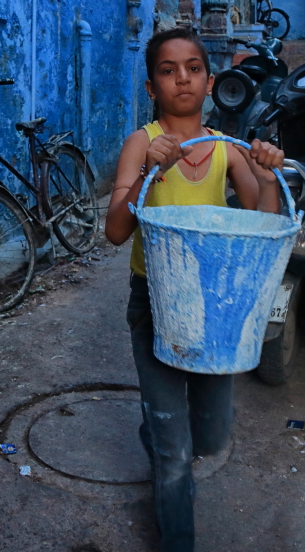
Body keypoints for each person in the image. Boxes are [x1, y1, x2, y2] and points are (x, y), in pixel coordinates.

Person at [104, 27, 285, 552]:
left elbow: (262, 223)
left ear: (210, 82)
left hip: (215, 308)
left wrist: (268, 176)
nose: (181, 78)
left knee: (210, 438)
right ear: (151, 87)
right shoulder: (141, 142)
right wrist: (147, 172)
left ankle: (157, 438)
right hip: (155, 302)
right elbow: (116, 232)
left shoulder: (227, 151)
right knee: (176, 455)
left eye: (193, 68)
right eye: (167, 70)